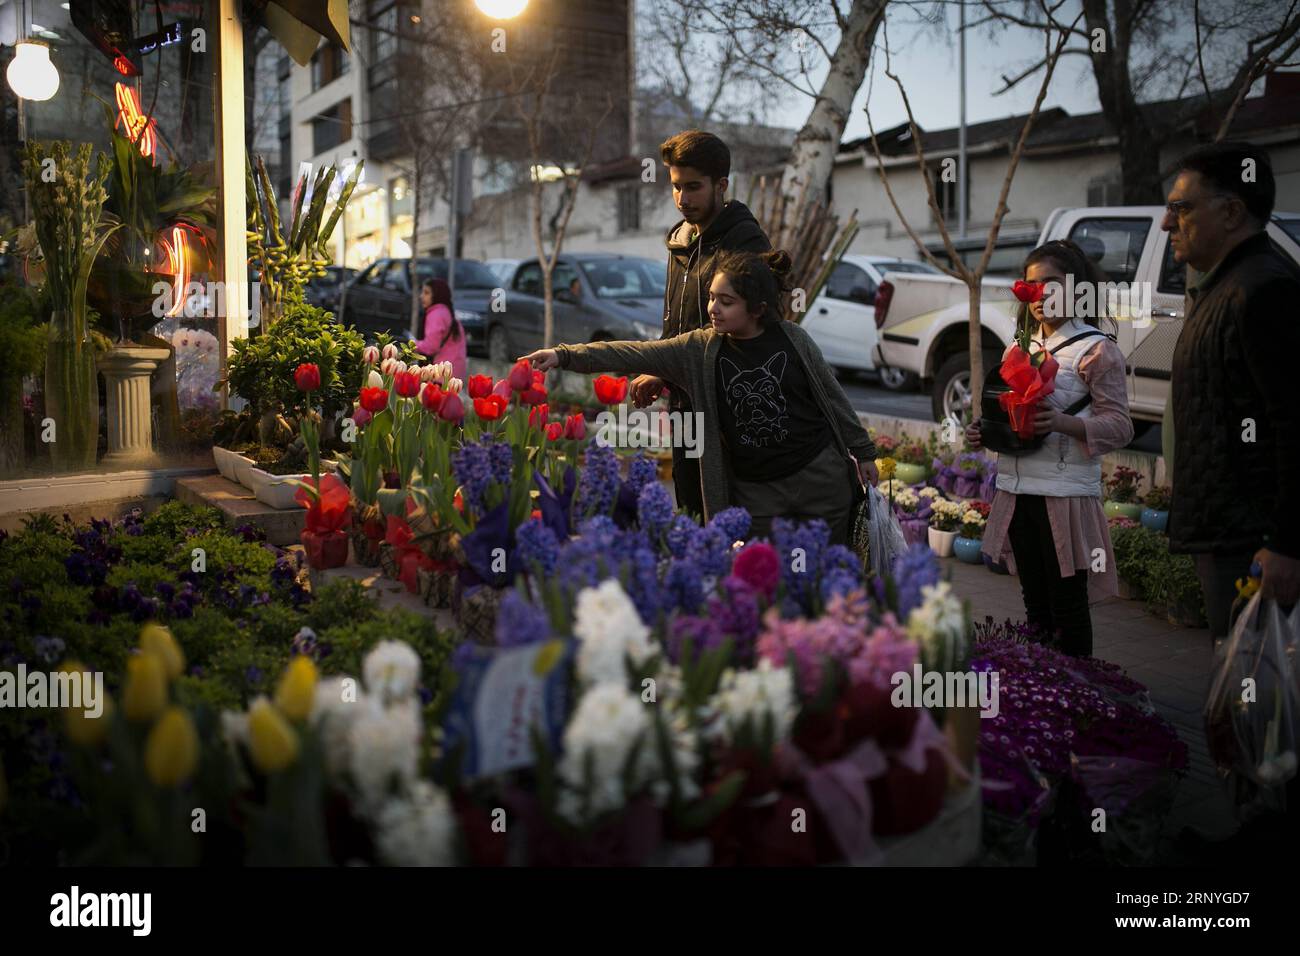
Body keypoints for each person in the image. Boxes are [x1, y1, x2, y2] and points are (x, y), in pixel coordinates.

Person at [522, 250, 877, 543]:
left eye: (727, 302)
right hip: (758, 494)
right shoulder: (699, 350)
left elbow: (832, 397)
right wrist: (564, 355)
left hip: (820, 478)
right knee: (762, 579)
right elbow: (632, 352)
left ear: (757, 309)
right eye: (711, 298)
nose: (713, 309)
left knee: (831, 576)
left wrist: (862, 451)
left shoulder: (794, 339)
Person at [966, 239, 1134, 657]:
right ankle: (1044, 697)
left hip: (1065, 498)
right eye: (1031, 284)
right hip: (1018, 491)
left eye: (1052, 284)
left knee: (1068, 606)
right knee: (1035, 605)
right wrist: (984, 430)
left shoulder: (1097, 349)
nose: (1039, 294)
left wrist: (1063, 423)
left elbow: (1120, 426)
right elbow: (1007, 415)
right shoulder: (1017, 348)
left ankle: (1077, 695)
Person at [1163, 141, 1300, 640]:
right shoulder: (1222, 285)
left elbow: (1294, 422)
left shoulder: (1264, 290)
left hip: (1255, 542)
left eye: (1181, 208)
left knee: (1259, 699)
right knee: (1239, 690)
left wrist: (1288, 544)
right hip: (1227, 532)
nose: (1166, 223)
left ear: (1231, 211)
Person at [631, 130, 771, 520]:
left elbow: (752, 328)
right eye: (676, 187)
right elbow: (675, 326)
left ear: (721, 184)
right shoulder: (680, 242)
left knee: (729, 516)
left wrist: (672, 364)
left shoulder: (746, 243)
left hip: (732, 410)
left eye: (693, 187)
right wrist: (659, 366)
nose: (682, 199)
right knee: (690, 506)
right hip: (685, 404)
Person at [415, 278, 467, 381]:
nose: (421, 296)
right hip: (455, 371)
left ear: (437, 294)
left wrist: (412, 344)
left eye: (426, 293)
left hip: (442, 375)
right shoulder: (446, 311)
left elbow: (431, 347)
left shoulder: (436, 315)